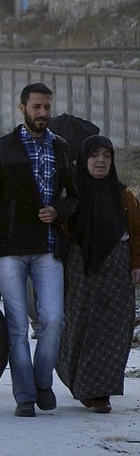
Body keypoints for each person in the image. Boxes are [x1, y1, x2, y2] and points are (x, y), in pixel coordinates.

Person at [0, 82, 78, 418]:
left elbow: (74, 197)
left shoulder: (60, 147)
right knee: (16, 325)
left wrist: (59, 211)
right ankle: (25, 396)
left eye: (47, 107)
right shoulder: (2, 149)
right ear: (22, 108)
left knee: (54, 319)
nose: (43, 113)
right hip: (9, 248)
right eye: (36, 107)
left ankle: (42, 381)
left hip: (47, 247)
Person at [56, 135, 140, 414]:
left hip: (116, 269)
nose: (101, 160)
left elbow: (137, 234)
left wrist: (136, 264)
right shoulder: (72, 197)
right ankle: (83, 385)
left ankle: (100, 392)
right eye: (94, 155)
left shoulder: (124, 196)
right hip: (81, 269)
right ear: (83, 159)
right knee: (80, 325)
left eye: (107, 155)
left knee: (115, 329)